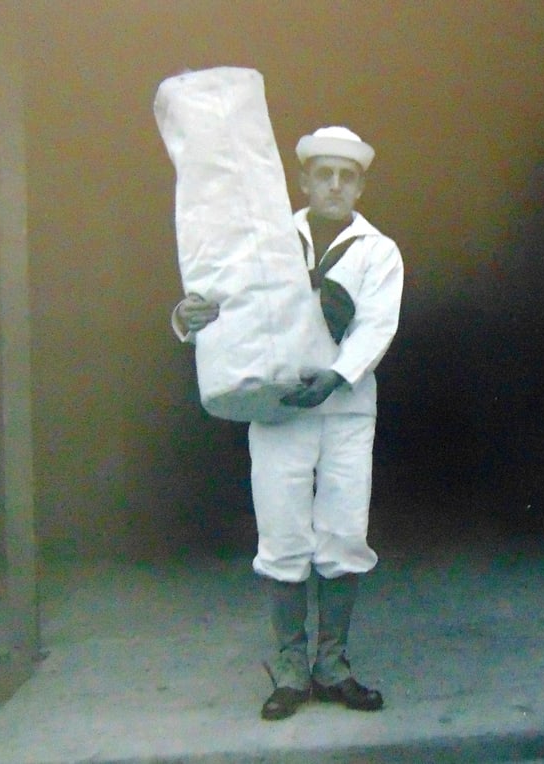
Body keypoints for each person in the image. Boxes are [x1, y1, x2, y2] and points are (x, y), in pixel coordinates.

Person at [172, 126, 404, 720]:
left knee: (345, 533)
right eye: (323, 174)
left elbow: (377, 325)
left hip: (346, 409)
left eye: (345, 176)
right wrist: (190, 312)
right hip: (278, 410)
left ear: (359, 185)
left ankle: (334, 665)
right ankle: (291, 667)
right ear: (302, 180)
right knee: (282, 536)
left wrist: (337, 375)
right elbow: (224, 300)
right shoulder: (268, 239)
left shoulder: (378, 250)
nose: (333, 185)